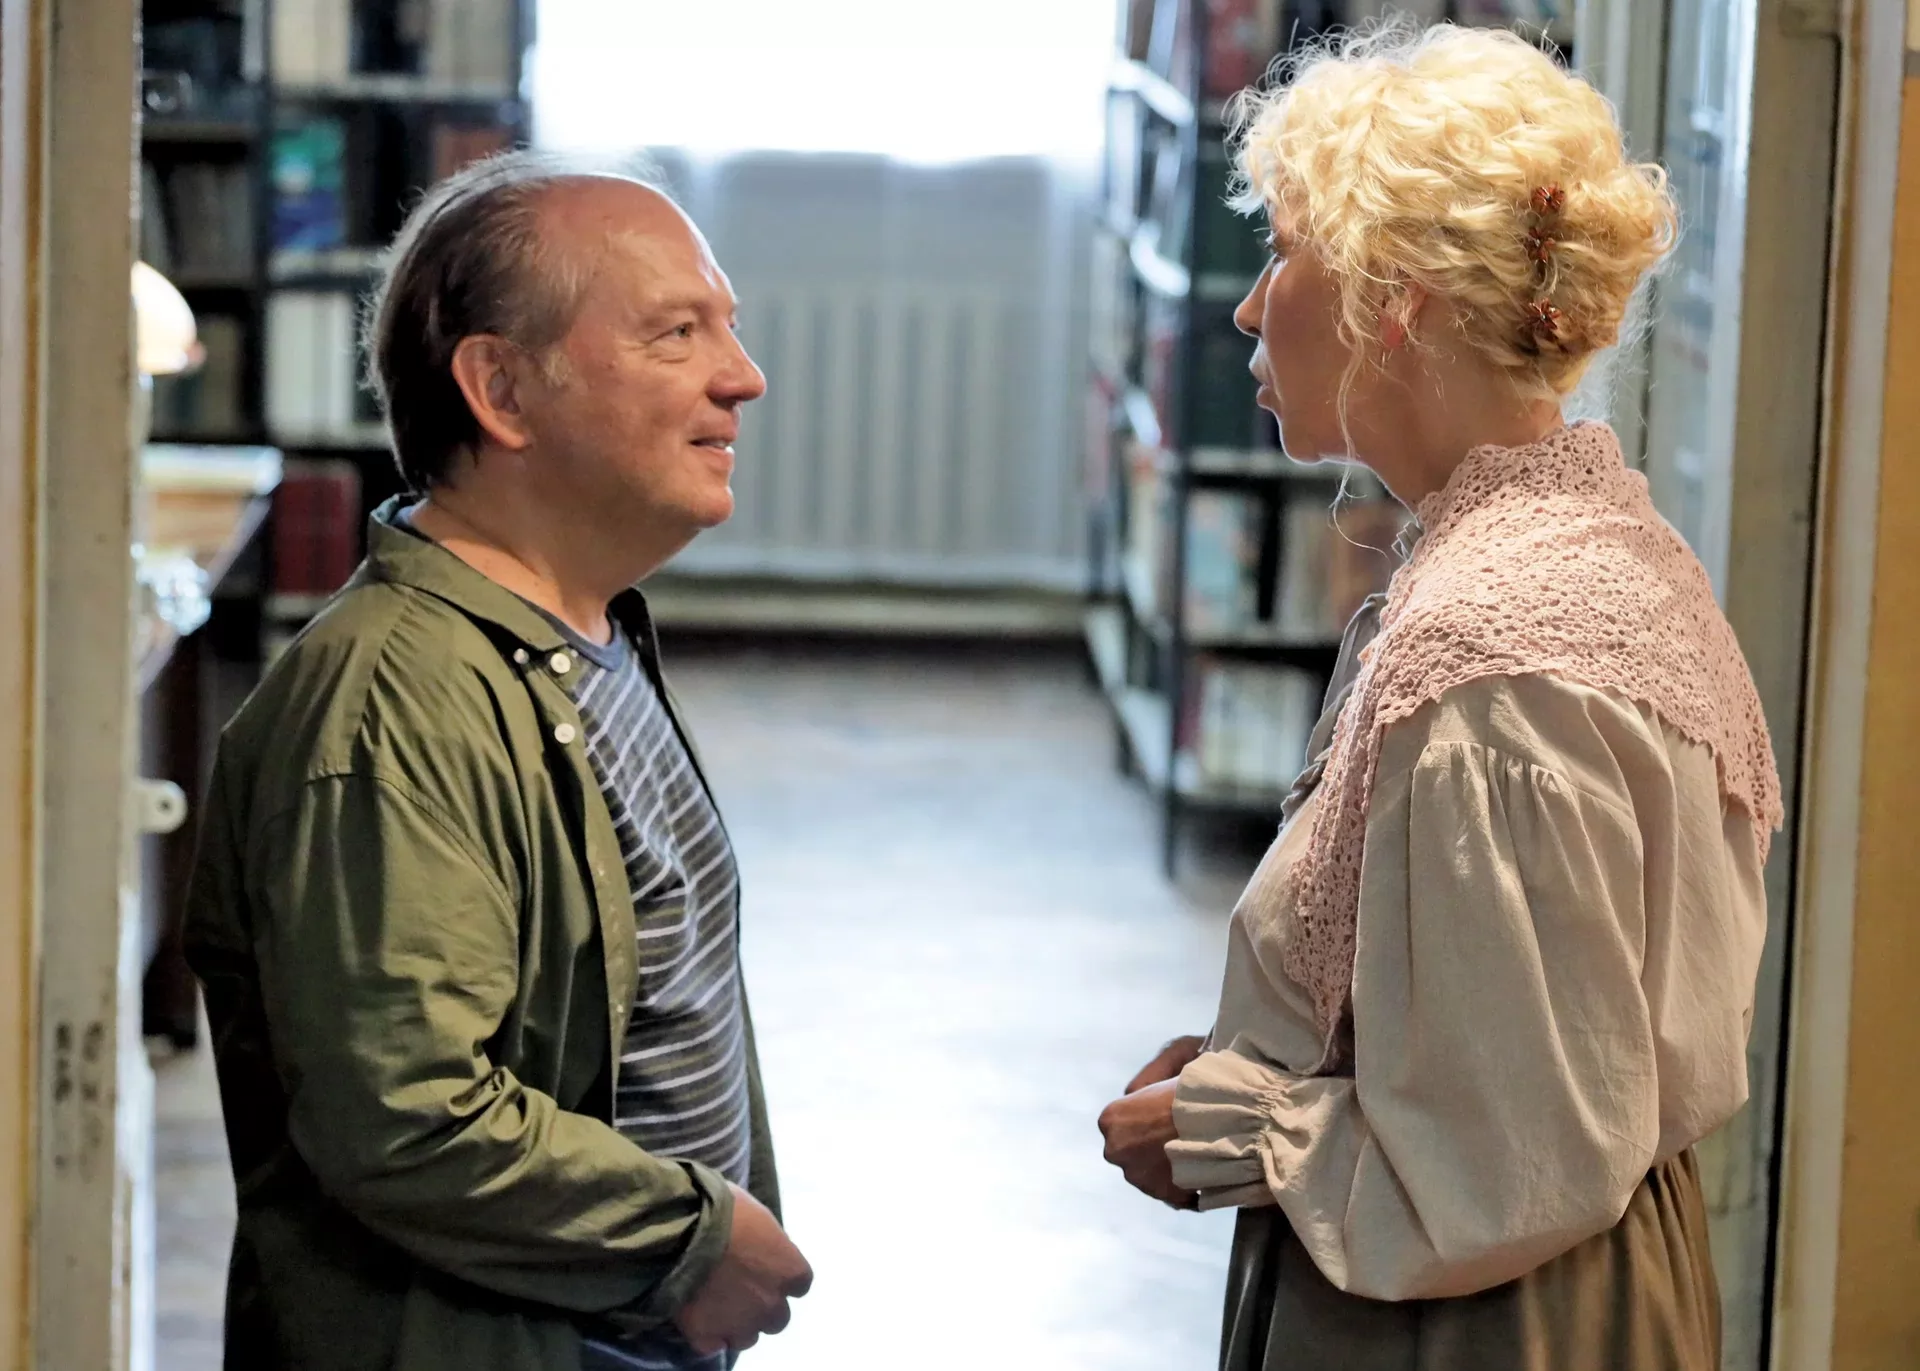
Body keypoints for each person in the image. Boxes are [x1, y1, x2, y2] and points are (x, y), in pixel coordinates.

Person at [1097, 23, 1780, 1371]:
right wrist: (1269, 1056)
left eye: (1284, 253)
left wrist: (1232, 1128)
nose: (1249, 307)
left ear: (1394, 294)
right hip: (1534, 1268)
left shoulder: (1496, 656)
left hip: (1475, 1315)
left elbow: (1512, 1155)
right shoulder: (1590, 549)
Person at [184, 152, 812, 1371]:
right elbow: (408, 1119)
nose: (743, 377)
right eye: (677, 333)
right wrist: (687, 1244)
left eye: (727, 327)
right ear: (502, 390)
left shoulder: (587, 635)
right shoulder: (393, 707)